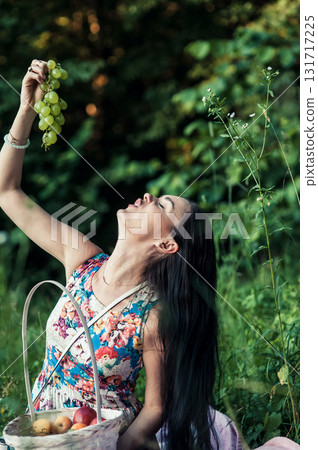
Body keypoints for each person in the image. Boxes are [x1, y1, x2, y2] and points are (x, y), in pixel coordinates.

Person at [0, 60, 299, 450]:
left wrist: (119, 447)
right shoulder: (81, 260)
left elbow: (155, 408)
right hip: (42, 435)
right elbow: (8, 193)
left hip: (100, 439)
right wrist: (27, 109)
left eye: (161, 204)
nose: (146, 197)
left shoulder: (152, 315)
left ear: (167, 245)